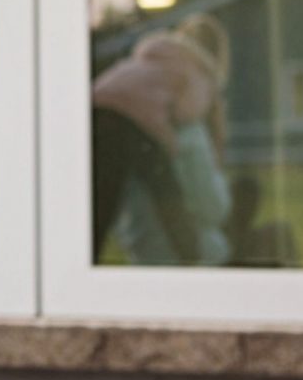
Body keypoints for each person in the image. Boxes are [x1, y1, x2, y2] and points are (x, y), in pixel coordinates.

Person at [92, 14, 232, 265]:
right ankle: (191, 255)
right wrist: (178, 138)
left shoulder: (152, 60)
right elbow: (187, 113)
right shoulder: (199, 73)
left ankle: (87, 260)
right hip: (134, 123)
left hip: (97, 115)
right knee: (167, 192)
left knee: (103, 200)